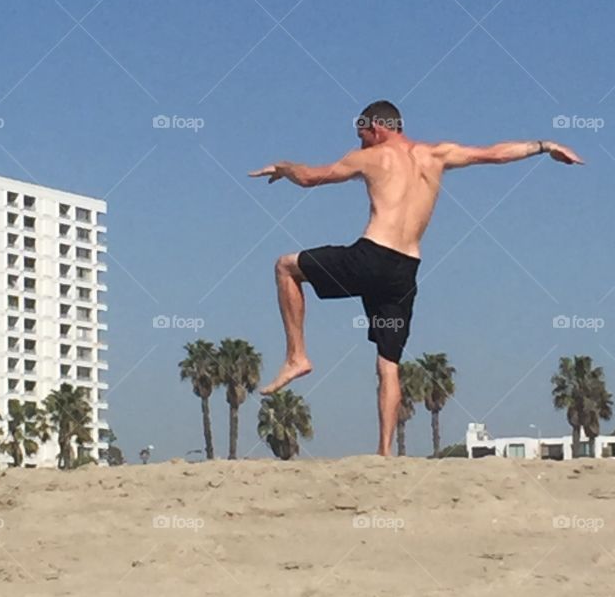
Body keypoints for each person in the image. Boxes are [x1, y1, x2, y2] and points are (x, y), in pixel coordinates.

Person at [249, 100, 583, 456]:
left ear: (377, 127)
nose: (360, 142)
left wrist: (284, 167)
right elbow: (496, 154)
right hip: (404, 270)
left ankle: (297, 356)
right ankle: (385, 451)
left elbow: (311, 177)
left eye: (361, 134)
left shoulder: (371, 158)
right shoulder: (437, 154)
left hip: (370, 257)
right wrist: (545, 146)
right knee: (388, 364)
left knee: (285, 266)